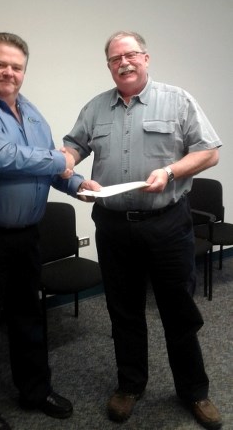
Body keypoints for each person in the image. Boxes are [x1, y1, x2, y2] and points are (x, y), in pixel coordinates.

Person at [64, 31, 223, 429]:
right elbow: (72, 147)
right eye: (116, 58)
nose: (124, 62)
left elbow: (209, 151)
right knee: (123, 311)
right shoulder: (95, 108)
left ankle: (194, 391)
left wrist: (170, 172)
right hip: (114, 227)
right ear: (109, 66)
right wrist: (68, 168)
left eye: (131, 54)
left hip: (167, 224)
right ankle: (130, 385)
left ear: (146, 58)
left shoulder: (178, 100)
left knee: (178, 310)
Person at [0, 32, 100, 430]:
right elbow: (1, 158)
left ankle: (35, 389)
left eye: (16, 66)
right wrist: (59, 158)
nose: (8, 72)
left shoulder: (31, 113)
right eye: (0, 64)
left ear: (24, 72)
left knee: (30, 316)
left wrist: (76, 183)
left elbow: (48, 168)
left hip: (27, 236)